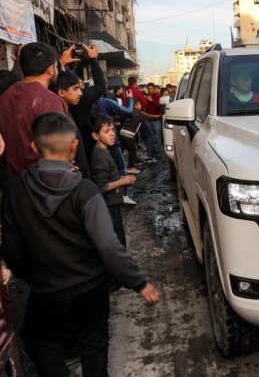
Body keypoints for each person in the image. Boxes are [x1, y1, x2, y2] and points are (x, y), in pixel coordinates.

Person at [1, 112, 160, 377]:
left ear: (34, 147)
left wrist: (32, 276)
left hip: (46, 291)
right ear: (74, 145)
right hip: (90, 289)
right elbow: (108, 245)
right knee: (94, 348)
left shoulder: (15, 191)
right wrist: (138, 282)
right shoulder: (85, 190)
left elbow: (11, 249)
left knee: (40, 340)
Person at [0, 42, 66, 179]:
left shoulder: (5, 97)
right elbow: (58, 151)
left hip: (12, 185)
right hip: (42, 185)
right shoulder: (49, 100)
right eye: (56, 66)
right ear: (50, 69)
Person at [90, 115, 136, 250]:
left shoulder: (104, 150)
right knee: (118, 243)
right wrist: (123, 181)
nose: (112, 134)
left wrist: (121, 179)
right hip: (109, 207)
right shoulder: (100, 156)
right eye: (106, 131)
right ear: (95, 135)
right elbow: (101, 186)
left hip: (113, 204)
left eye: (113, 130)